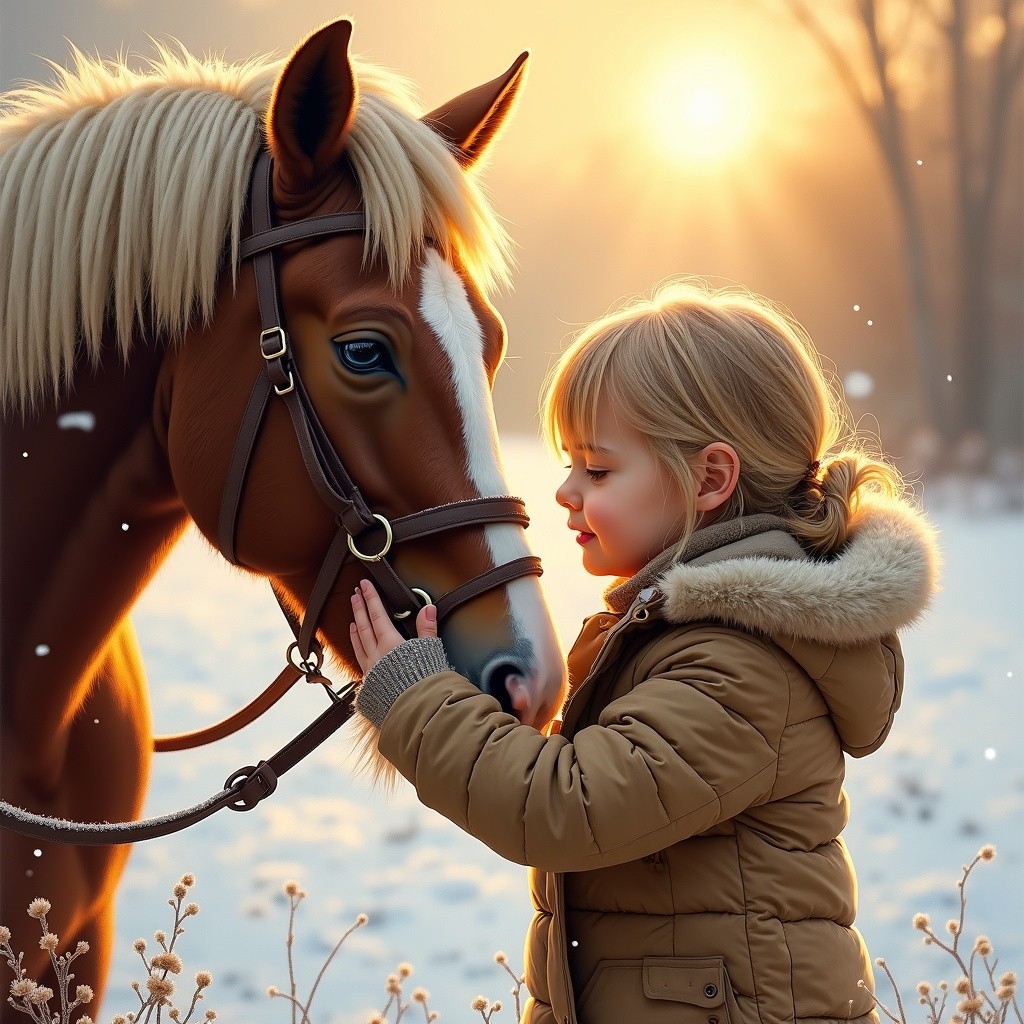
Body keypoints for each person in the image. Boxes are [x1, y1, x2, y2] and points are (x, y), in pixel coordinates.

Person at [349, 279, 941, 1024]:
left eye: (596, 470)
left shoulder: (745, 665)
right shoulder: (680, 636)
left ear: (710, 479)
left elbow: (563, 807)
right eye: (570, 463)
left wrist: (417, 698)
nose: (564, 491)